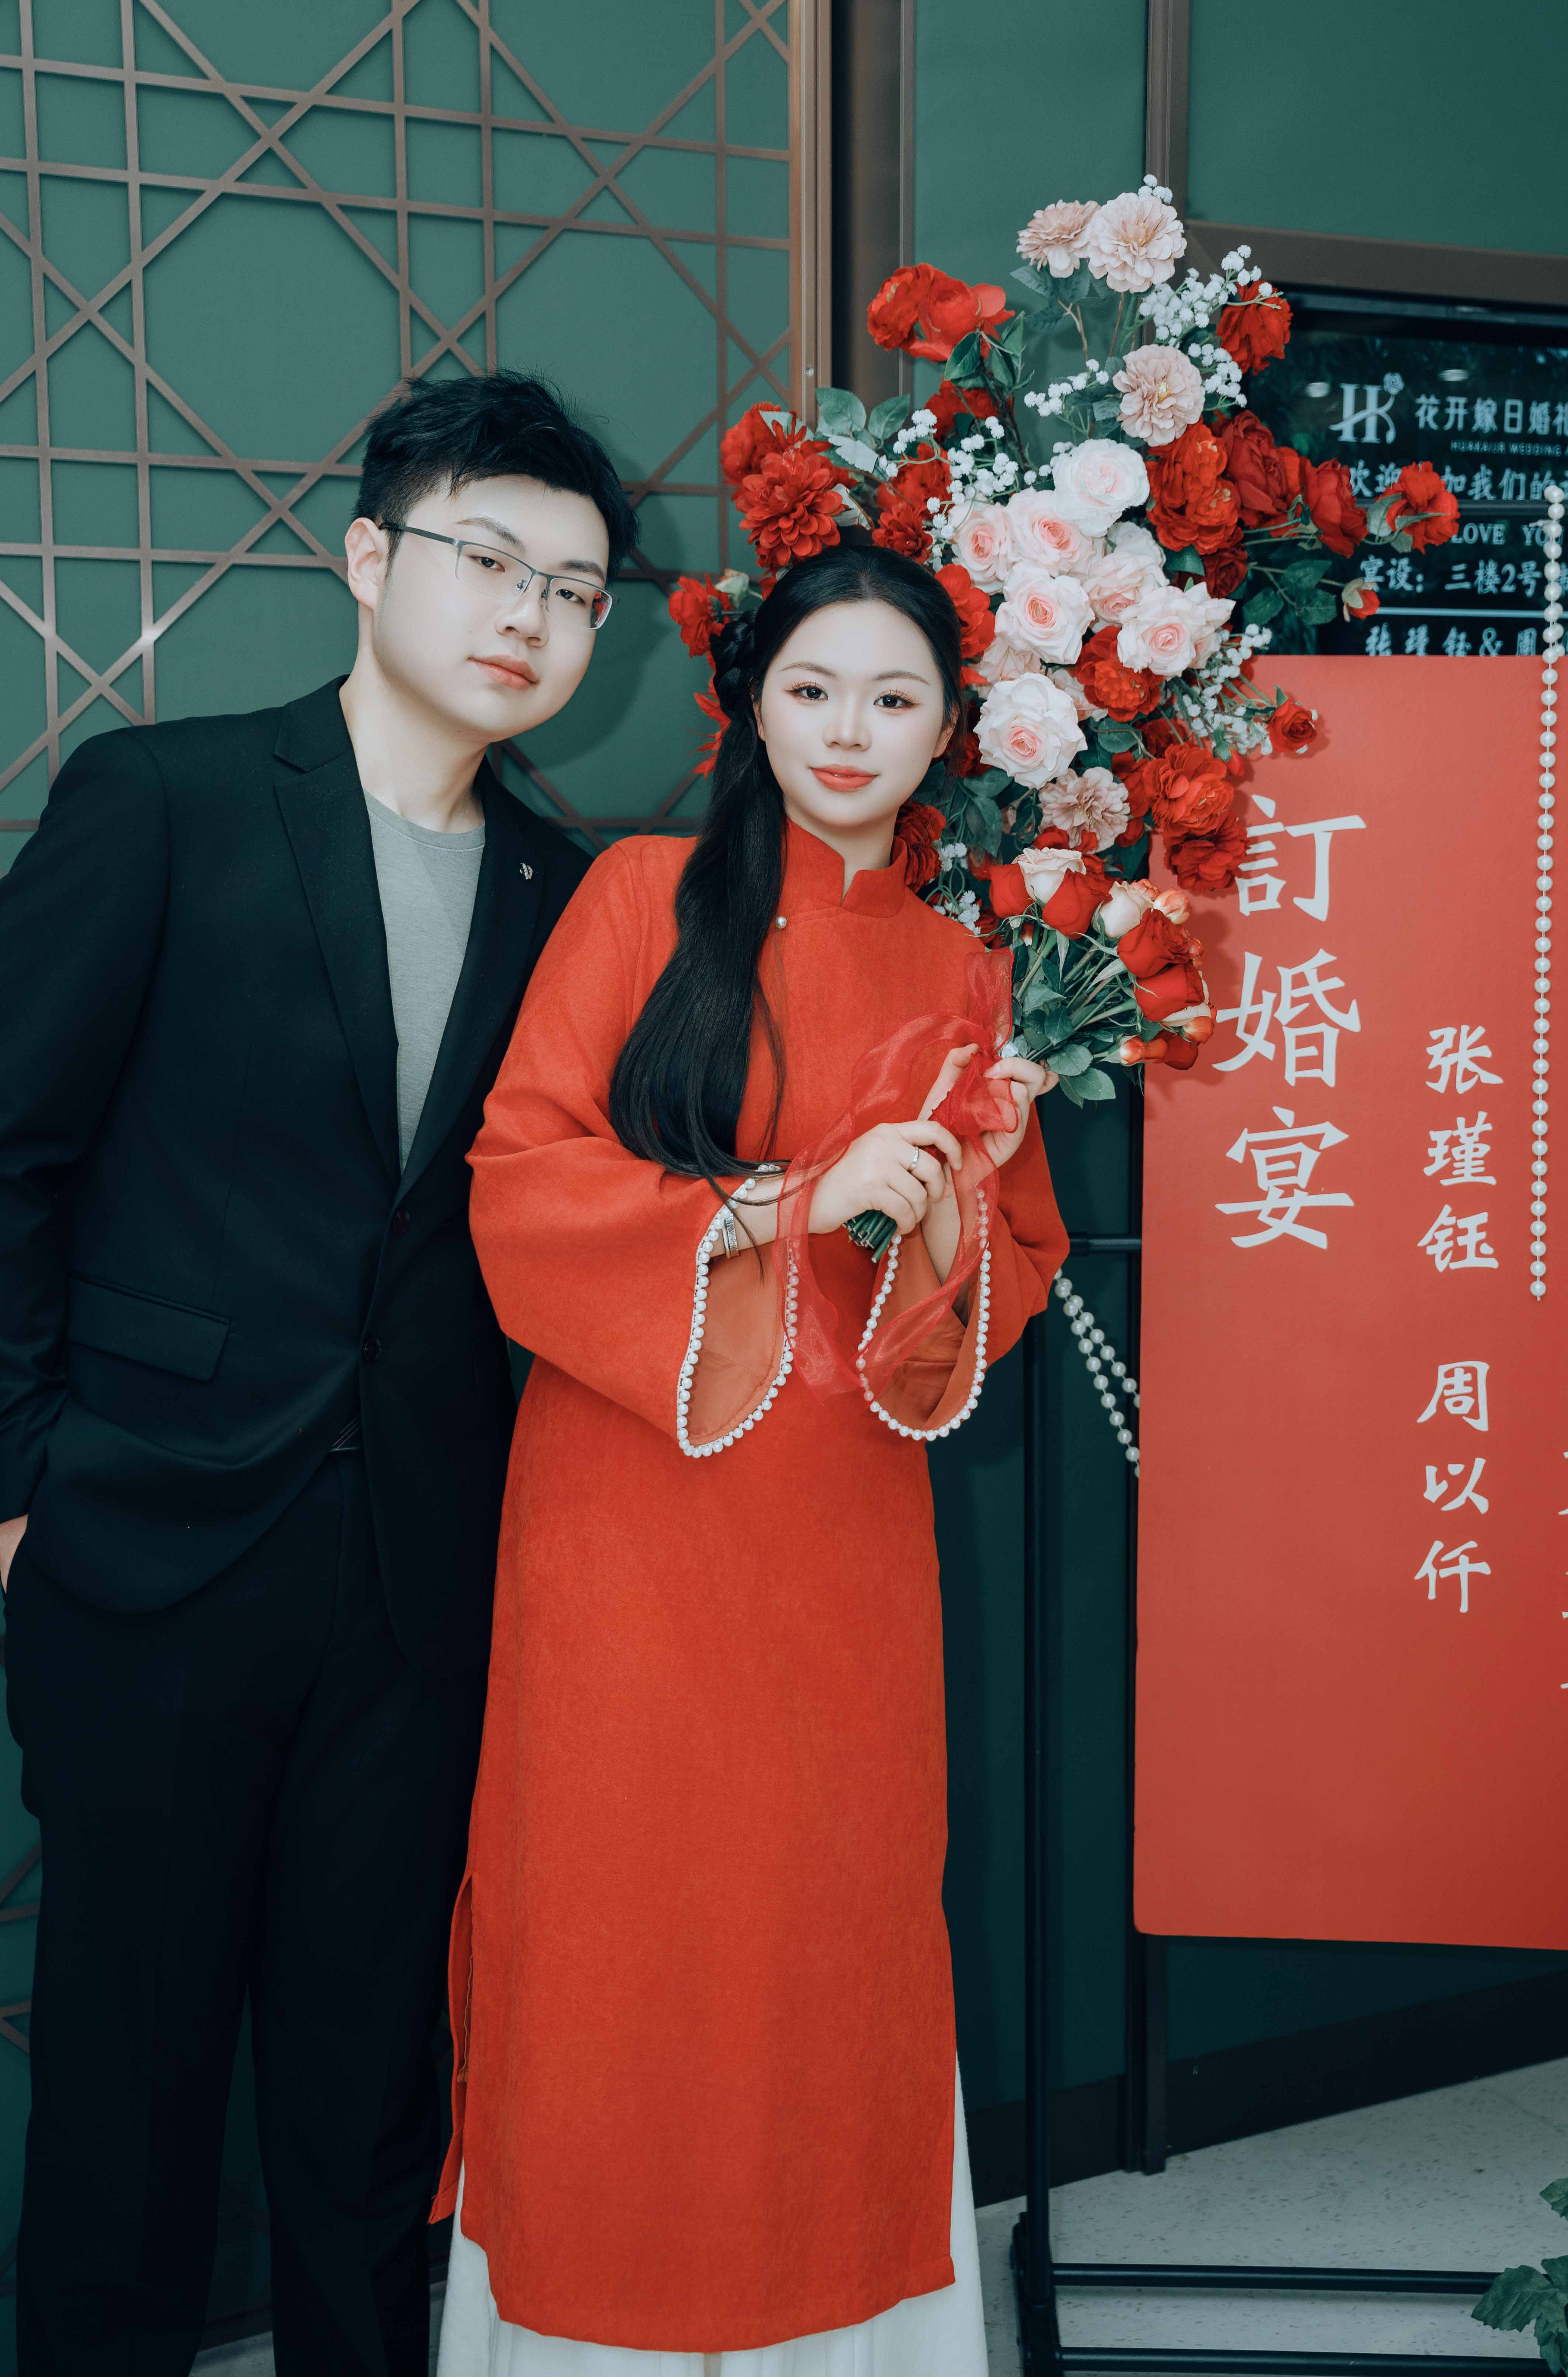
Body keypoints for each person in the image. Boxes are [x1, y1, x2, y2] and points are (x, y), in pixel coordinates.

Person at [0, 369, 637, 2375]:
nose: (529, 614)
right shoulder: (163, 801)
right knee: (128, 2102)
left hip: (419, 1583)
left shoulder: (566, 895)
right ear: (369, 559)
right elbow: (8, 1150)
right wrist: (21, 1488)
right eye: (488, 559)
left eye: (576, 590)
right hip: (149, 1548)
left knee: (369, 2102)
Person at [433, 540, 1068, 2375]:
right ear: (752, 705)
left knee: (827, 1919)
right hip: (624, 1509)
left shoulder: (969, 971)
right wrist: (789, 1198)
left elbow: (1004, 1280)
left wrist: (943, 1207)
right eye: (812, 689)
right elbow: (520, 1177)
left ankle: (830, 2308)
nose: (849, 730)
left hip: (844, 1528)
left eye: (894, 697)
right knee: (618, 1910)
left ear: (949, 728)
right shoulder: (640, 897)